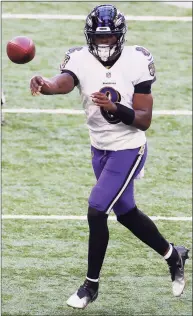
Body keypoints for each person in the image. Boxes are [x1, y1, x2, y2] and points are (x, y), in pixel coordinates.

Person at [30, 4, 189, 310]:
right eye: (99, 39)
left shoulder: (137, 61)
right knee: (126, 212)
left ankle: (90, 285)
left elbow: (143, 120)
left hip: (129, 148)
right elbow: (65, 81)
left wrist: (114, 107)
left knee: (96, 209)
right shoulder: (78, 57)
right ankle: (173, 255)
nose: (104, 45)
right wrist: (46, 86)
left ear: (120, 37)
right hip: (99, 147)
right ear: (90, 38)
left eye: (109, 39)